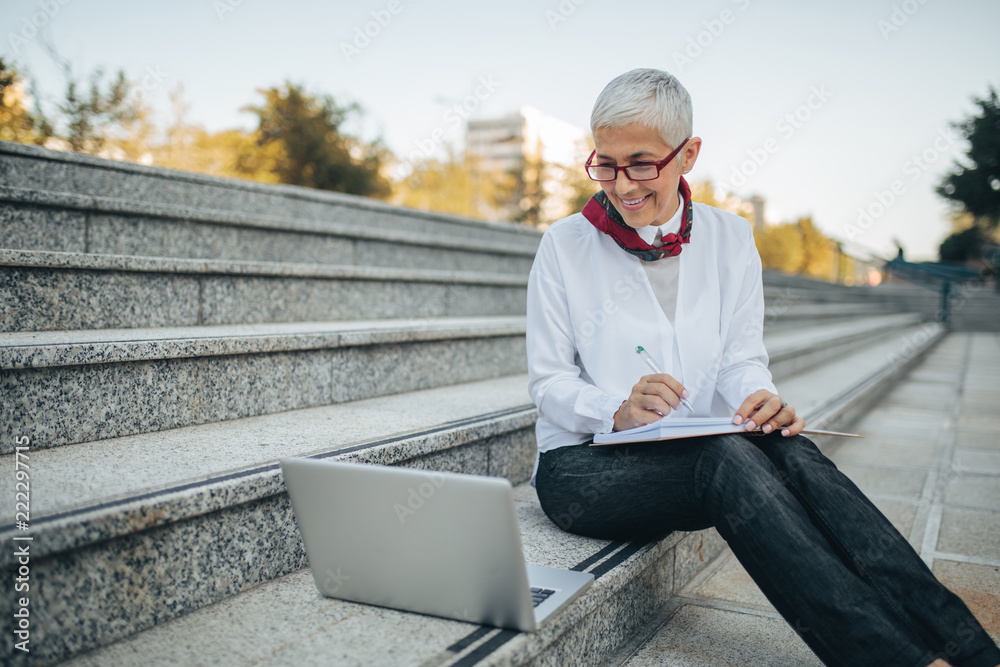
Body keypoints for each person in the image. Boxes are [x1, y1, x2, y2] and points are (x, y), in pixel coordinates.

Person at [526, 68, 1000, 667]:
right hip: (582, 469)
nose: (621, 185)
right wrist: (613, 409)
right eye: (606, 163)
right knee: (724, 460)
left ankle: (973, 653)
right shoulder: (564, 245)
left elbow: (741, 360)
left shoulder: (730, 238)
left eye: (641, 163)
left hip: (686, 445)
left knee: (791, 447)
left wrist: (758, 398)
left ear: (688, 154)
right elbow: (548, 383)